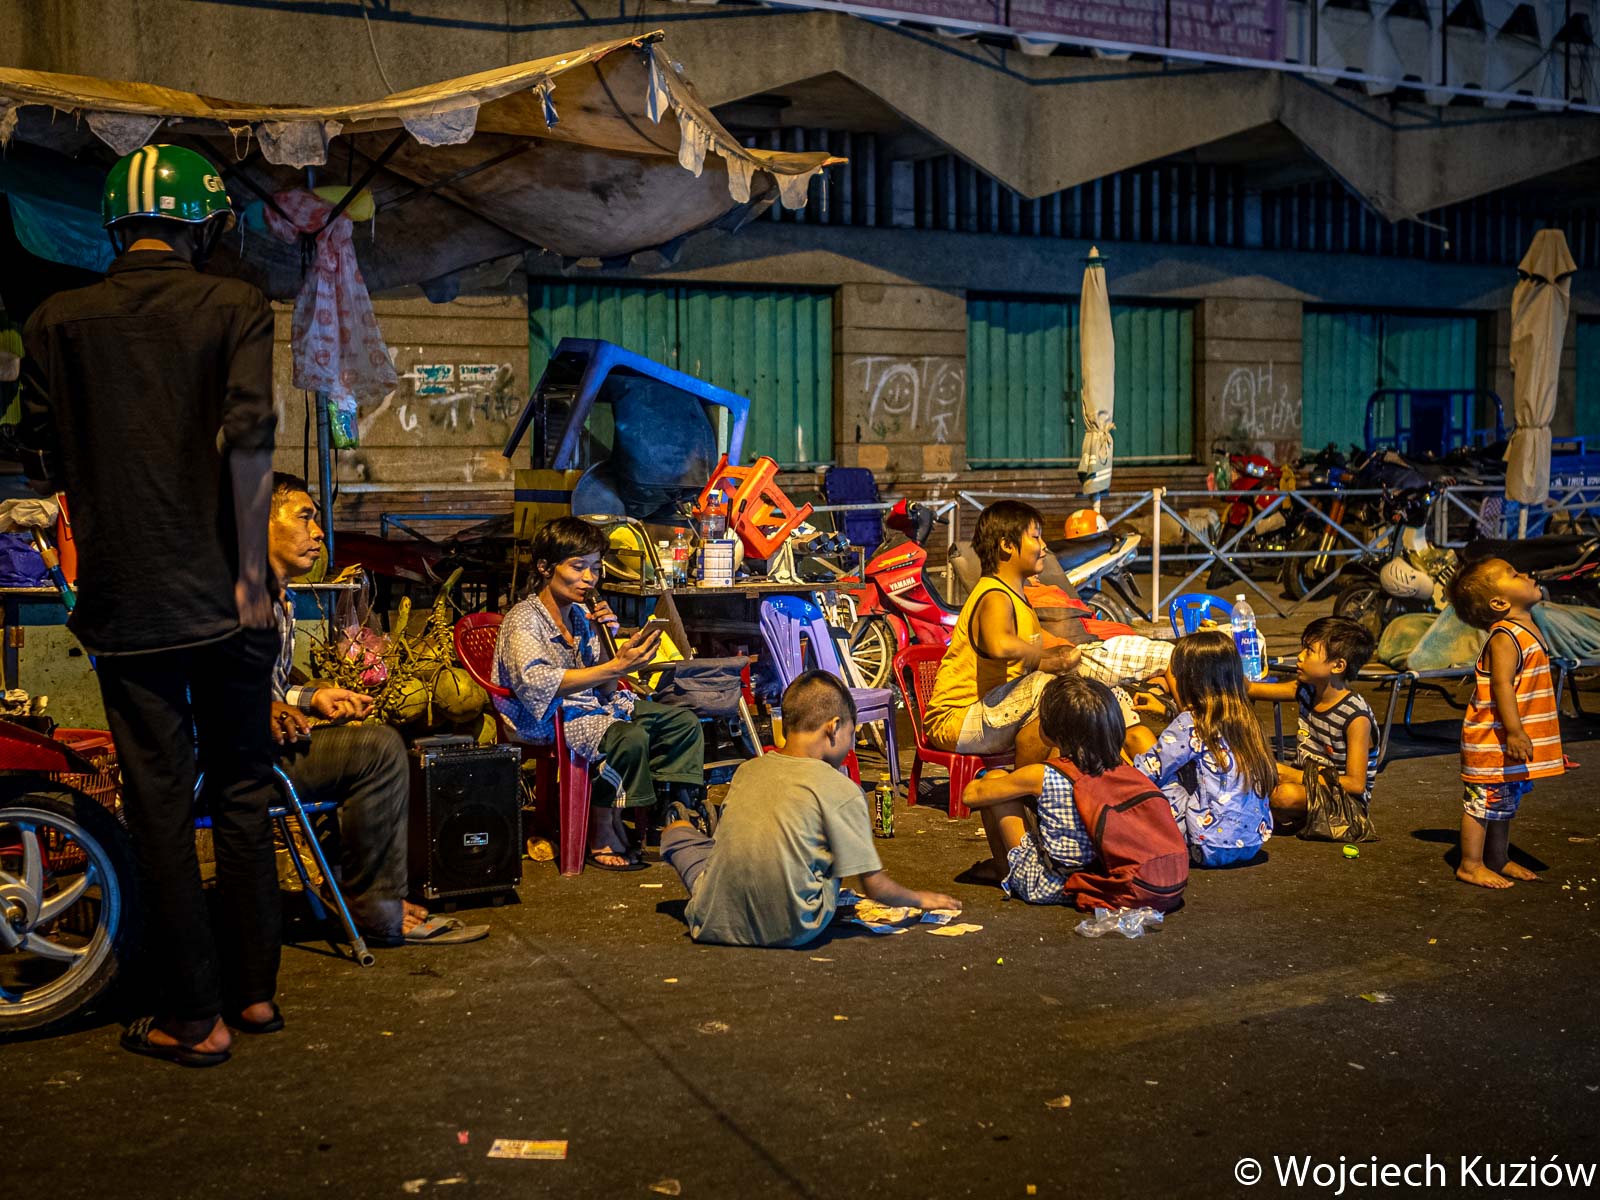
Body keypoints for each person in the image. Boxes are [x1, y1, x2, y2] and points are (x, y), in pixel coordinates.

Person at [18, 145, 280, 1067]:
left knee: (159, 805)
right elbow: (251, 435)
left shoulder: (55, 321)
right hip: (233, 599)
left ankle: (192, 1016)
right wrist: (252, 576)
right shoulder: (237, 305)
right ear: (203, 226)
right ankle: (253, 994)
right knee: (244, 788)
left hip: (129, 606)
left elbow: (40, 454)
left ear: (117, 227)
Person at [266, 474, 486, 945]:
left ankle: (351, 890)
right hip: (240, 757)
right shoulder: (238, 599)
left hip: (266, 744)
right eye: (304, 518)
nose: (318, 532)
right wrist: (259, 707)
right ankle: (376, 908)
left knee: (374, 738)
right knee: (377, 750)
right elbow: (206, 685)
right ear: (257, 524)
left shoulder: (281, 600)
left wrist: (312, 698)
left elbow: (272, 690)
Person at [659, 671, 960, 946]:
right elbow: (876, 888)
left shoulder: (747, 771)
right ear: (834, 727)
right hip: (794, 927)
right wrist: (920, 899)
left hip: (712, 921)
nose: (851, 745)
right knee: (828, 841)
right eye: (851, 734)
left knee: (677, 831)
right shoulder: (843, 790)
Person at [495, 517, 707, 870]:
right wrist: (615, 667)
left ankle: (663, 814)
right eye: (578, 567)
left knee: (681, 723)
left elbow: (606, 686)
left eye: (595, 568)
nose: (589, 578)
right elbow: (539, 685)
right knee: (628, 737)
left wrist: (610, 645)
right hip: (546, 717)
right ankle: (601, 824)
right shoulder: (524, 620)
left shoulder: (581, 615)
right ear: (545, 567)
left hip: (592, 706)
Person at [964, 674, 1187, 908]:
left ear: (1050, 730)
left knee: (995, 782)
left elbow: (971, 796)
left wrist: (997, 780)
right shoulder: (1123, 768)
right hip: (1099, 878)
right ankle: (1007, 868)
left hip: (1051, 885)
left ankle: (1004, 870)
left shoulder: (1041, 774)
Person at [923, 501, 1080, 763]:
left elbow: (1024, 665)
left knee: (1078, 694)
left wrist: (1065, 660)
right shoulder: (994, 595)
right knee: (1046, 690)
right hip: (955, 720)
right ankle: (1018, 783)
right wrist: (1045, 654)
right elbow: (998, 644)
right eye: (1036, 537)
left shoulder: (1019, 599)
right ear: (1007, 545)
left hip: (994, 713)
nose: (1044, 547)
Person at [1447, 558, 1563, 888]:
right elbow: (1501, 686)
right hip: (1491, 742)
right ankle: (1470, 864)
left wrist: (1546, 750)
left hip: (1506, 743)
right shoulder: (1505, 637)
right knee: (1482, 804)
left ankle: (1498, 858)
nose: (1526, 574)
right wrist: (1514, 731)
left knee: (1503, 803)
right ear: (1499, 603)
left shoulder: (1526, 631)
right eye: (1513, 574)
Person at [1130, 630, 1277, 868]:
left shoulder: (1191, 722)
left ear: (1189, 680)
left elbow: (1148, 770)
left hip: (1206, 845)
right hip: (1252, 843)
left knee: (1156, 775)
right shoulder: (1247, 720)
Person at [1248, 617, 1378, 828]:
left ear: (1338, 666)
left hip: (1343, 803)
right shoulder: (1306, 690)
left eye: (1309, 651)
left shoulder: (1356, 716)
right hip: (1304, 783)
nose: (1300, 657)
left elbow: (1355, 784)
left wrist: (1293, 775)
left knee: (1284, 795)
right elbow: (1251, 689)